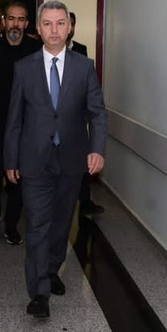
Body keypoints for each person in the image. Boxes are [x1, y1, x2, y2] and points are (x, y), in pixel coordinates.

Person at [3, 0, 107, 318]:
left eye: (60, 23)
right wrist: (10, 160)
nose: (54, 30)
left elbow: (97, 113)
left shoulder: (84, 66)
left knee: (61, 224)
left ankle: (50, 270)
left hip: (72, 159)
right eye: (47, 24)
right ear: (38, 28)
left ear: (69, 27)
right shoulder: (24, 68)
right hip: (34, 160)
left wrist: (97, 149)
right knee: (37, 225)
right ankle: (39, 293)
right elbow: (14, 119)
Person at [0, 2, 41, 245]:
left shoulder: (36, 51)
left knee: (18, 176)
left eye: (20, 19)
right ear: (4, 22)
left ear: (27, 23)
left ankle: (12, 223)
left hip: (25, 126)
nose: (15, 24)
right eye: (11, 18)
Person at [67, 11, 105, 215]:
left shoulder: (81, 50)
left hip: (78, 117)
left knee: (82, 160)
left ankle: (85, 201)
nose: (69, 28)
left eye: (72, 24)